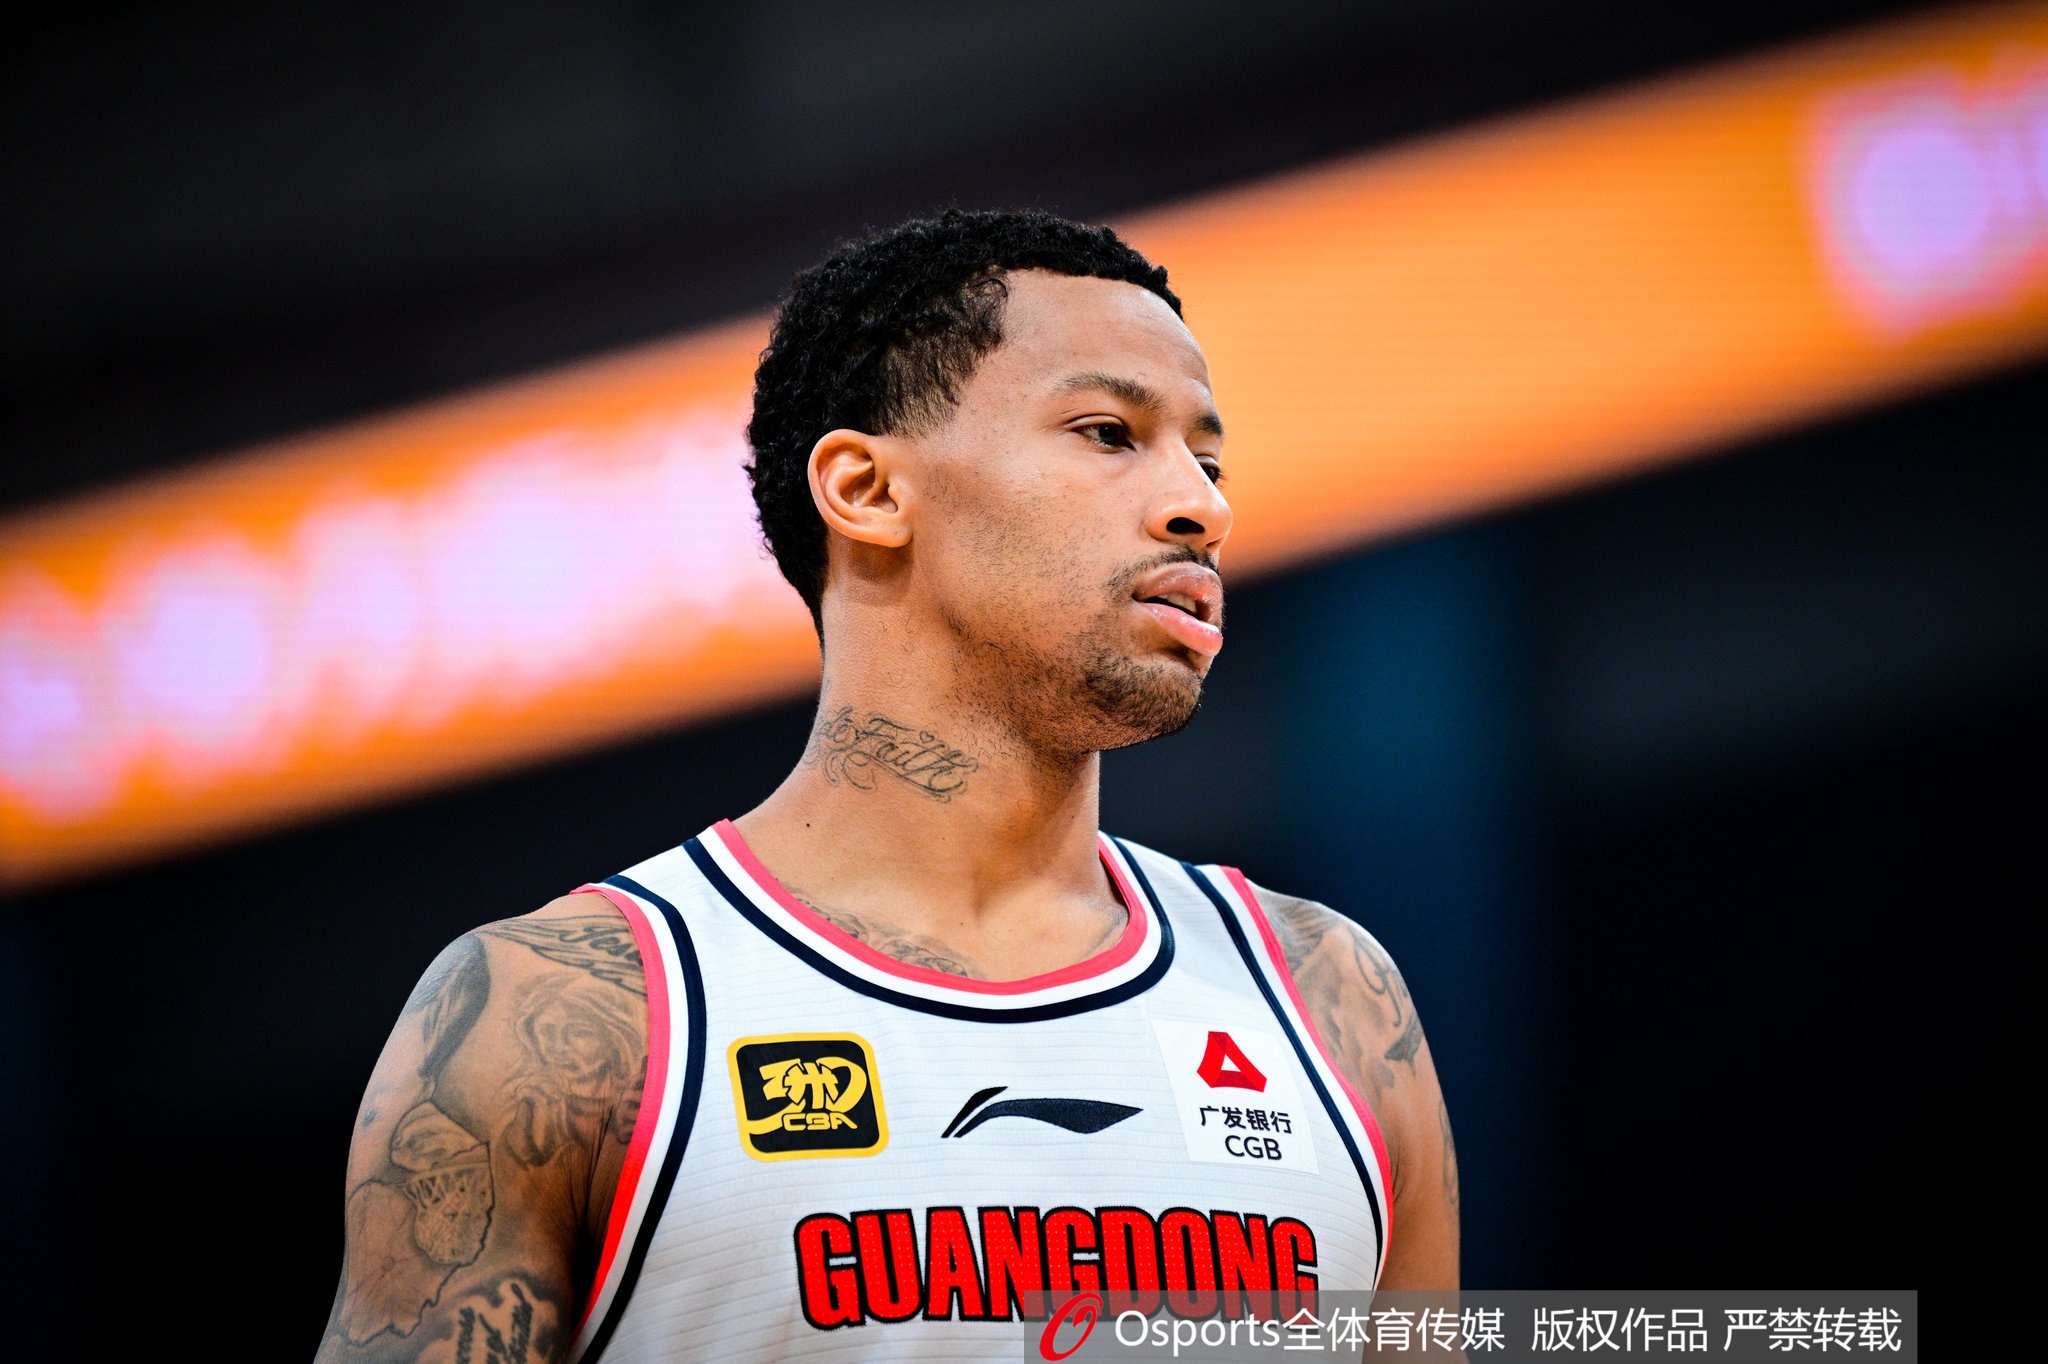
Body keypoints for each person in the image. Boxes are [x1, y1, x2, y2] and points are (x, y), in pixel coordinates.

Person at [314, 209, 1458, 1364]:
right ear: (866, 488)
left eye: (1207, 462)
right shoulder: (562, 1016)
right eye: (1108, 433)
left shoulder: (1333, 998)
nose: (1201, 507)